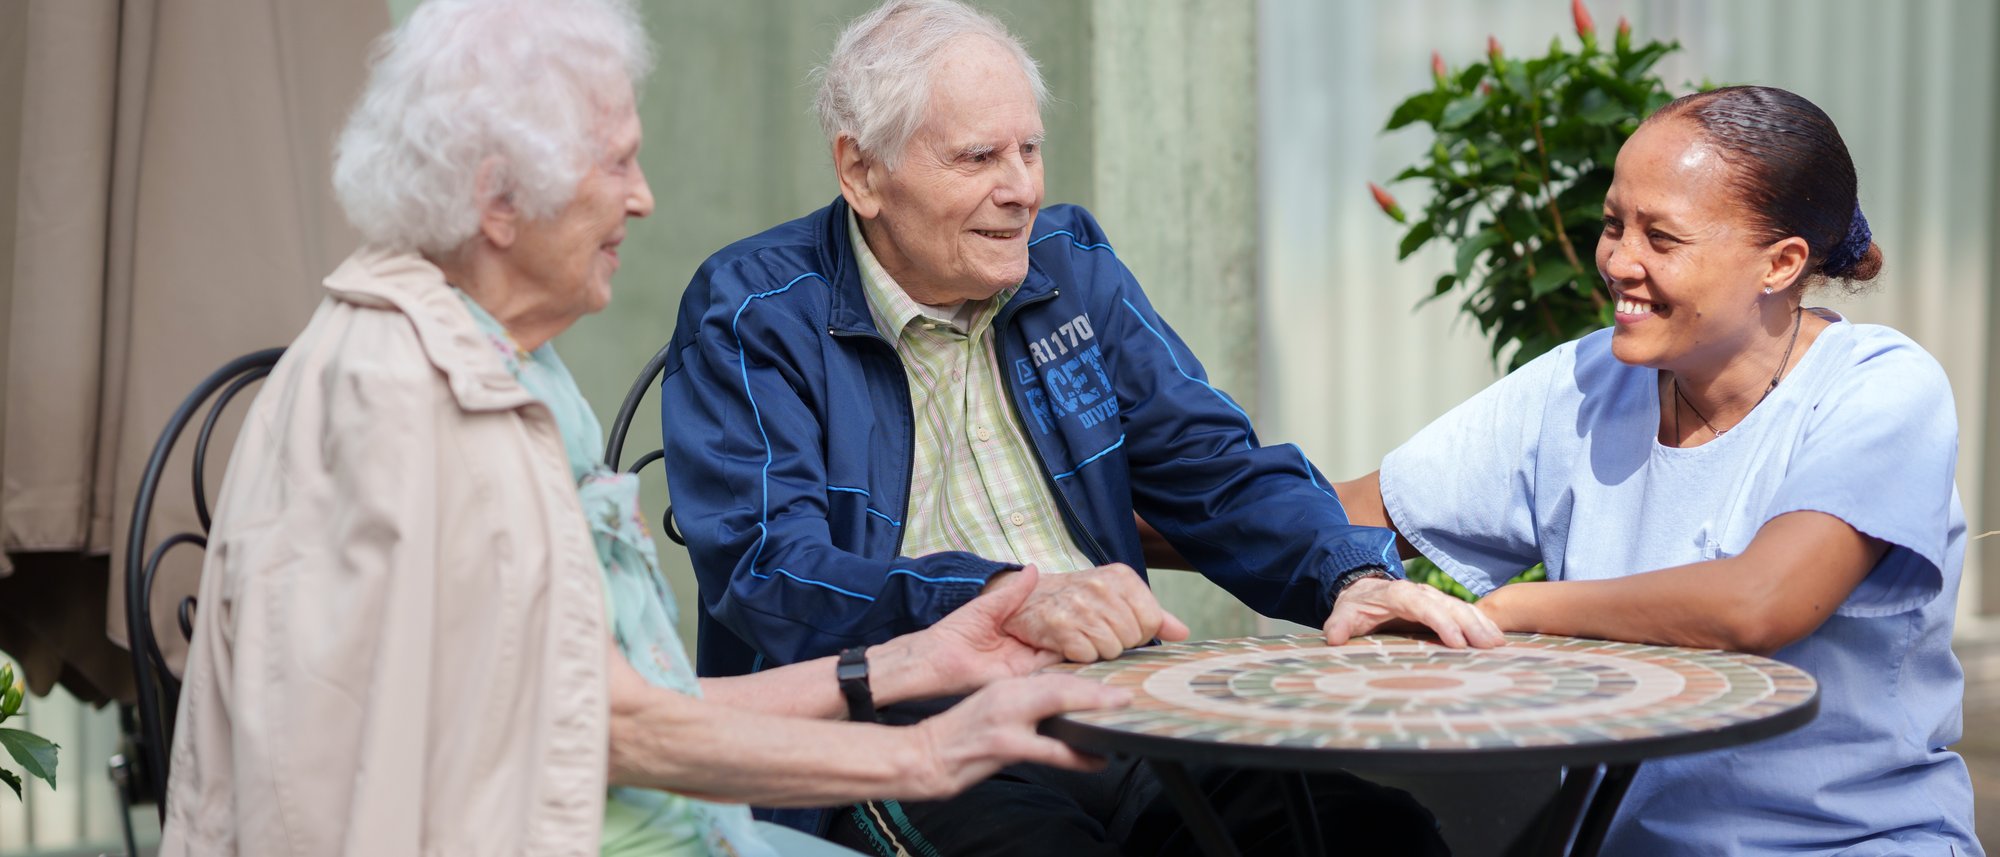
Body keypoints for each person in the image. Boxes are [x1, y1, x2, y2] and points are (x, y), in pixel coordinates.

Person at [158, 2, 1126, 855]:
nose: (642, 194)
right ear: (499, 199)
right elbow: (603, 728)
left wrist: (921, 658)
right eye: (615, 161)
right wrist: (926, 748)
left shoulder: (507, 360)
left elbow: (616, 695)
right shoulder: (408, 399)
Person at [660, 0, 1498, 852]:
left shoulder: (1068, 265)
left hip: (1118, 708)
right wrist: (1004, 600)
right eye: (979, 156)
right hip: (901, 735)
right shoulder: (753, 313)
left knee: (1373, 834)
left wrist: (1345, 573)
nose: (1022, 188)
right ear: (863, 173)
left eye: (1029, 149)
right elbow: (773, 575)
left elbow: (1212, 464)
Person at [1333, 85, 1980, 855]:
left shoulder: (1880, 387)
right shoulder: (1582, 383)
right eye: (1613, 225)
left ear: (1781, 263)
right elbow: (1349, 508)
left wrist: (1510, 608)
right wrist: (1170, 497)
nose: (1617, 261)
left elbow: (1758, 604)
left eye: (1662, 239)